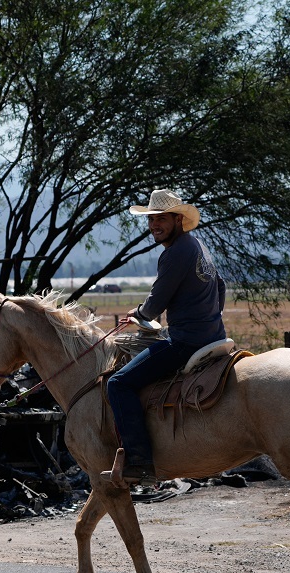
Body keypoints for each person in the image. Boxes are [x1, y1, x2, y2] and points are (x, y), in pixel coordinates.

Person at [100, 189, 227, 485]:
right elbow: (220, 288)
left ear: (178, 219)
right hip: (213, 336)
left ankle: (140, 461)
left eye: (161, 219)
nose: (155, 224)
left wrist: (138, 313)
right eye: (151, 219)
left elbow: (155, 304)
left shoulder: (174, 253)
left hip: (186, 342)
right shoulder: (198, 246)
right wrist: (209, 319)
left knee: (118, 384)